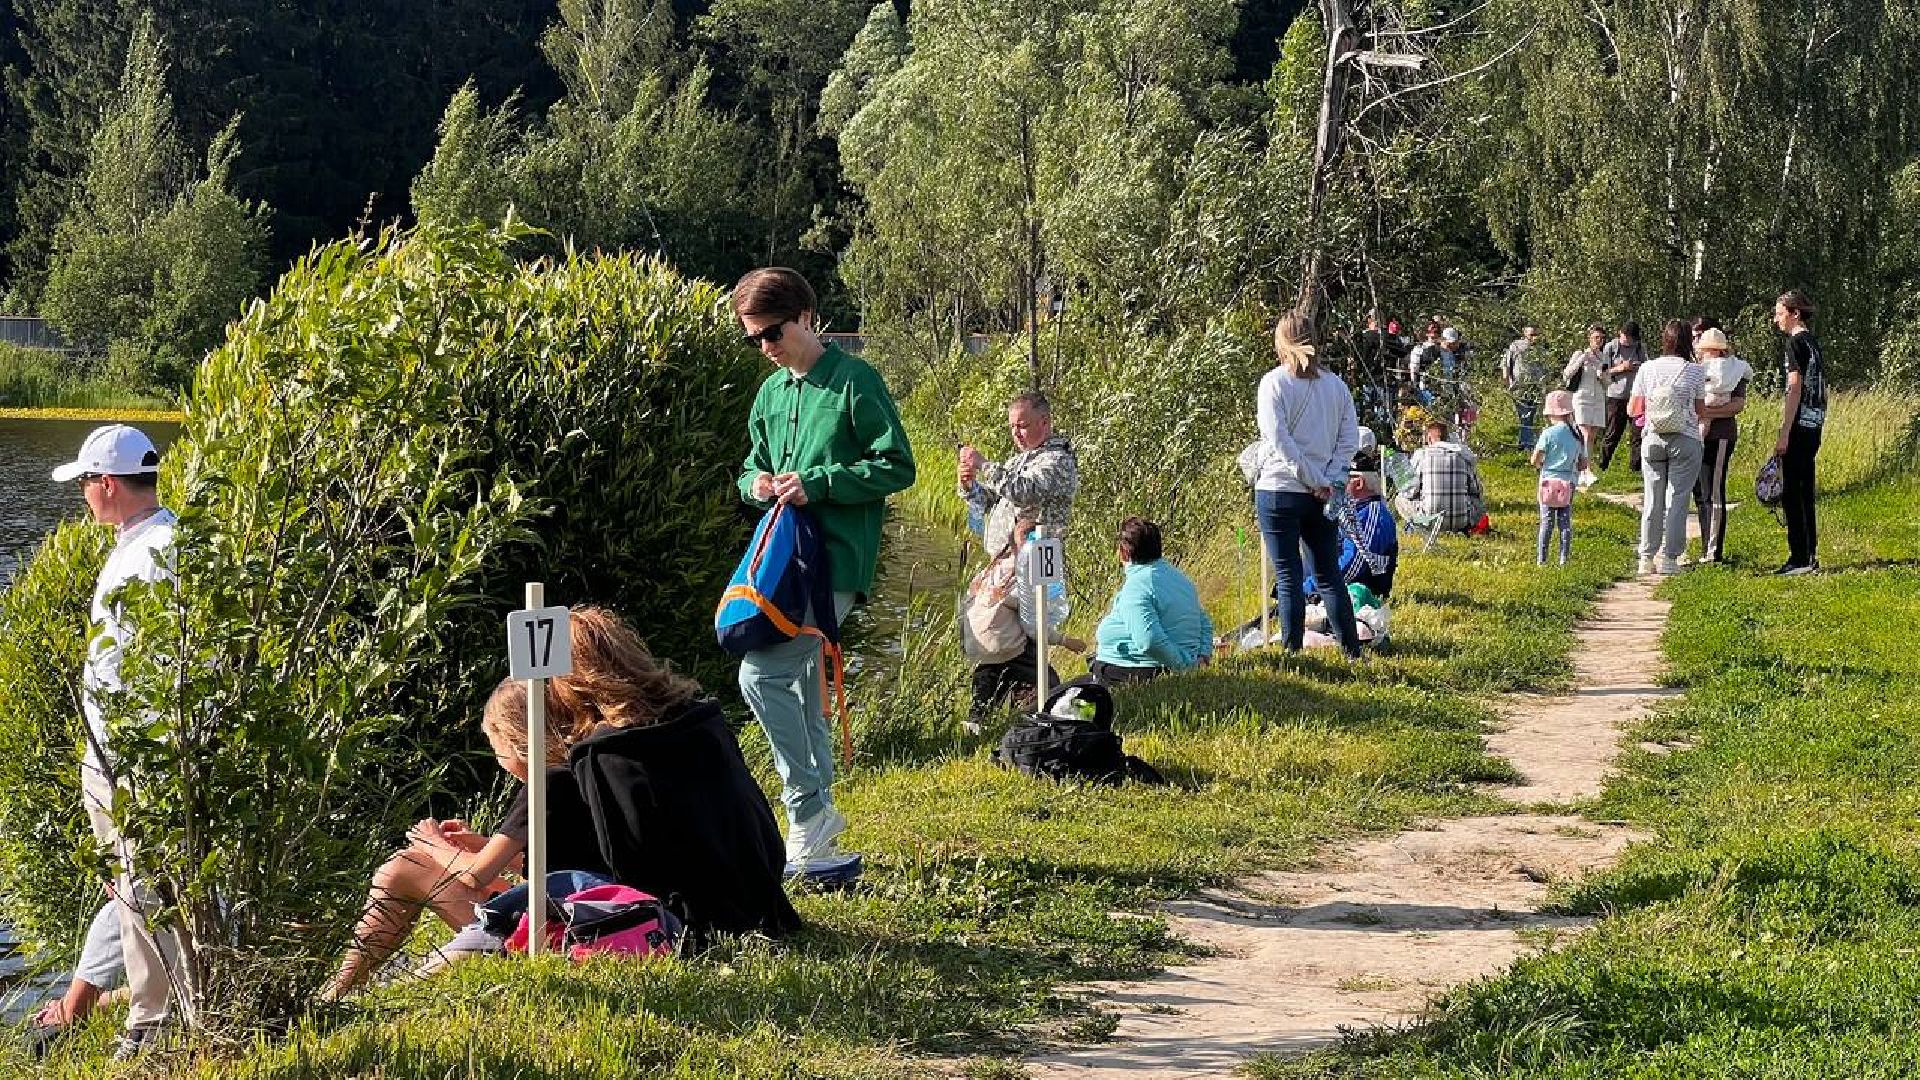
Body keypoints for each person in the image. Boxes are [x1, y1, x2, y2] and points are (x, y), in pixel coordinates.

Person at [323, 606, 798, 998]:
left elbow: (609, 875)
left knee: (409, 867)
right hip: (752, 904)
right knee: (413, 871)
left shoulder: (602, 757)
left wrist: (449, 846)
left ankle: (349, 993)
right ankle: (352, 991)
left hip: (651, 925)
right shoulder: (697, 722)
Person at [734, 267, 916, 864]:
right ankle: (821, 830)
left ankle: (807, 808)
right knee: (806, 688)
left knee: (758, 677)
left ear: (807, 318)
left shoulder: (854, 380)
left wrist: (821, 484)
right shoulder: (770, 394)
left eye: (772, 333)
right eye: (753, 338)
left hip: (834, 562)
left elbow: (898, 467)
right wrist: (757, 484)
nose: (765, 348)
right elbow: (746, 471)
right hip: (780, 564)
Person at [37, 424, 179, 1060]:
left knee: (142, 888)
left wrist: (124, 761)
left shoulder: (152, 551)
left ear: (109, 484)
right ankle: (150, 1010)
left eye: (87, 483)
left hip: (131, 758)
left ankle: (150, 1028)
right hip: (121, 756)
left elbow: (152, 666)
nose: (84, 496)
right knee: (131, 888)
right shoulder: (148, 540)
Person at [1252, 313, 1363, 658]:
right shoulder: (1336, 386)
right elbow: (1349, 439)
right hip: (1323, 494)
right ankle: (1351, 650)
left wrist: (1315, 479)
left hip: (1279, 490)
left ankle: (1292, 651)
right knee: (1328, 573)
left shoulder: (1274, 384)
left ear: (1280, 343)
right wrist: (1330, 479)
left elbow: (1280, 442)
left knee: (1288, 574)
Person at [959, 516, 1084, 729]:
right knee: (1048, 679)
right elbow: (1032, 625)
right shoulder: (1020, 578)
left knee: (989, 678)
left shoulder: (991, 568)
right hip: (1004, 645)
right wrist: (1064, 640)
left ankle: (976, 721)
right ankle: (1045, 717)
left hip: (976, 645)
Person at [1090, 517, 1213, 684]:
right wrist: (1203, 656)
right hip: (1148, 666)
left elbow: (1149, 641)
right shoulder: (1180, 579)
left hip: (1133, 671)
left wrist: (1186, 667)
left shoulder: (1137, 586)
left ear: (1123, 552)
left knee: (1059, 701)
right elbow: (1204, 622)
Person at [958, 391, 1079, 560]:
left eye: (1022, 426)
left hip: (1036, 561)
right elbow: (989, 502)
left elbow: (1024, 492)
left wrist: (984, 465)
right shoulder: (1017, 462)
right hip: (1007, 560)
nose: (1015, 433)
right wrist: (969, 485)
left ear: (1044, 423)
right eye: (1012, 427)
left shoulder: (1058, 460)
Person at [1628, 319, 1708, 575]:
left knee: (1652, 499)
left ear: (1665, 339)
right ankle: (1670, 560)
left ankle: (1646, 558)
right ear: (1687, 341)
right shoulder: (1695, 371)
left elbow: (1633, 409)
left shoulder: (1647, 369)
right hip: (1685, 439)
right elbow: (1700, 410)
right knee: (1677, 499)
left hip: (1652, 439)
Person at [1772, 290, 1826, 575]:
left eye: (1780, 314)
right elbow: (1822, 388)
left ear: (1794, 313)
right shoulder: (1813, 343)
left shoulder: (1794, 344)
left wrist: (1784, 431)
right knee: (1806, 490)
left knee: (1792, 491)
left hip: (1798, 424)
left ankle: (1799, 557)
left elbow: (1794, 387)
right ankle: (1810, 553)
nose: (1776, 320)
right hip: (1814, 422)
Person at [1691, 326, 1751, 563]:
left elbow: (1737, 405)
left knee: (1714, 493)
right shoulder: (1700, 371)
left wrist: (1708, 412)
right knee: (1701, 492)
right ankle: (1706, 545)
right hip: (1698, 434)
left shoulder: (1734, 372)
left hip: (1720, 435)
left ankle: (1714, 550)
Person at [1303, 468, 1399, 599]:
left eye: (1341, 479)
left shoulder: (1371, 514)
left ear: (1358, 484)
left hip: (1356, 592)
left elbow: (1354, 565)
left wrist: (1306, 587)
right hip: (1332, 582)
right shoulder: (1354, 509)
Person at [1395, 420, 1486, 534]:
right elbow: (1477, 490)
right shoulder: (1462, 455)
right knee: (1479, 501)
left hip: (1430, 521)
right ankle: (1462, 526)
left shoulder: (1422, 455)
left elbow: (1410, 491)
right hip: (1462, 521)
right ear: (1447, 438)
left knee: (1399, 499)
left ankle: (1417, 526)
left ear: (1428, 438)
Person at [1531, 391, 1588, 566]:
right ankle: (1564, 558)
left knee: (1547, 522)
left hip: (1548, 481)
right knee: (1565, 522)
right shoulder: (1577, 434)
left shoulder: (1548, 433)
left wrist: (1540, 465)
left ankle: (1542, 560)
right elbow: (1583, 464)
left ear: (1550, 414)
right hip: (1568, 483)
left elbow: (1535, 458)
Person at [1598, 321, 1648, 473]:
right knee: (1613, 432)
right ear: (1620, 333)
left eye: (1631, 337)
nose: (1628, 340)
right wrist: (1621, 368)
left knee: (1637, 434)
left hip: (1636, 396)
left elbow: (1647, 368)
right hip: (1616, 396)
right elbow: (1602, 373)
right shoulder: (1610, 347)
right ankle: (1603, 465)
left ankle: (1635, 468)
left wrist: (1637, 367)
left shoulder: (1640, 348)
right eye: (1625, 336)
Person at [1561, 324, 1610, 479]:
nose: (1599, 341)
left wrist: (1602, 375)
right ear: (1589, 339)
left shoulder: (1604, 357)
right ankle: (1585, 469)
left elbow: (1608, 382)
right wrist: (1583, 359)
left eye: (1601, 338)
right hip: (1582, 398)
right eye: (1596, 338)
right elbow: (1567, 374)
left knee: (1592, 435)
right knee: (1584, 433)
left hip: (1598, 399)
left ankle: (1584, 466)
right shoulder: (1580, 354)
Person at [1501, 325, 1547, 450]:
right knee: (1524, 414)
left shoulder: (1541, 350)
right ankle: (1527, 444)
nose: (1534, 338)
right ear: (1525, 333)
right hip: (1519, 387)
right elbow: (1506, 364)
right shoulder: (1516, 346)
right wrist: (1507, 382)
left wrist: (1544, 385)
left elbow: (1544, 369)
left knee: (1530, 415)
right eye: (1532, 334)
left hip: (1535, 387)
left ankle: (1523, 442)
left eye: (1536, 335)